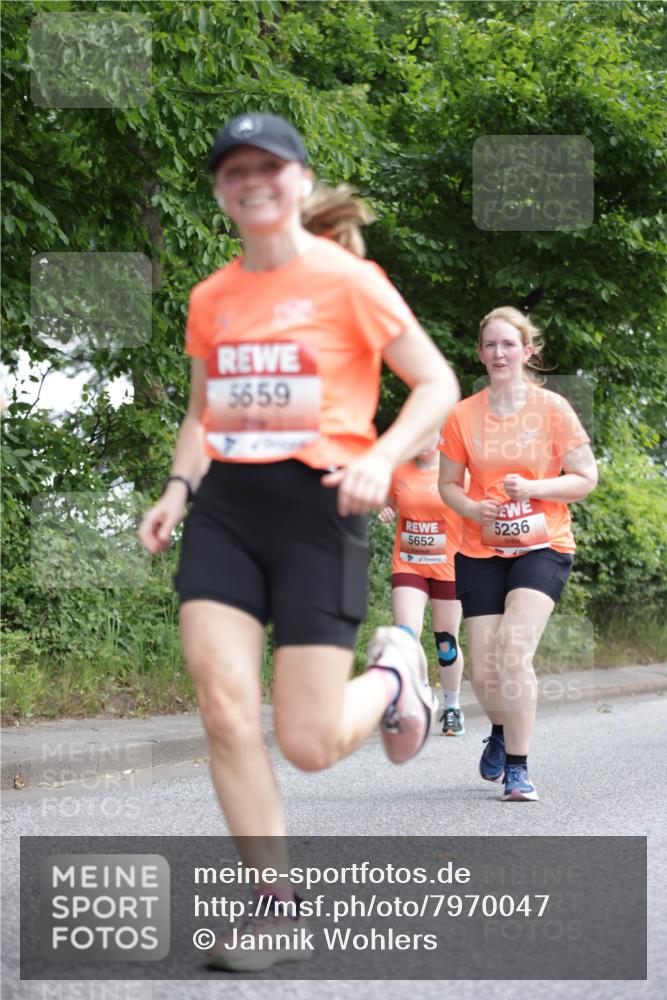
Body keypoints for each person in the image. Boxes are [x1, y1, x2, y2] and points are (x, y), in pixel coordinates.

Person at [138, 112, 459, 969]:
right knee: (221, 702)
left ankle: (396, 675)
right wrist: (177, 491)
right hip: (228, 512)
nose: (251, 181)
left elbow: (434, 382)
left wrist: (384, 457)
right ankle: (273, 909)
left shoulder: (350, 282)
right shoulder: (211, 297)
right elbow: (202, 413)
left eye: (267, 167)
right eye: (233, 169)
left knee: (309, 744)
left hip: (320, 508)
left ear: (298, 180)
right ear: (219, 190)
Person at [438, 306, 597, 801]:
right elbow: (448, 486)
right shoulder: (463, 414)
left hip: (543, 543)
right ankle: (502, 731)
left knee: (513, 651)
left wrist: (534, 488)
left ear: (527, 351)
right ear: (481, 354)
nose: (499, 352)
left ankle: (519, 768)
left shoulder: (553, 409)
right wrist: (473, 508)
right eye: (491, 345)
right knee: (485, 670)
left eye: (509, 344)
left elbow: (585, 478)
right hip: (480, 546)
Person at [378, 433, 466, 735]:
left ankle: (452, 707)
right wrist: (386, 510)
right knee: (406, 634)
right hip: (409, 565)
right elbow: (388, 501)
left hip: (449, 566)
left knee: (446, 641)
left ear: (442, 436)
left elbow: (475, 508)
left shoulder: (458, 473)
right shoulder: (399, 470)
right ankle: (423, 692)